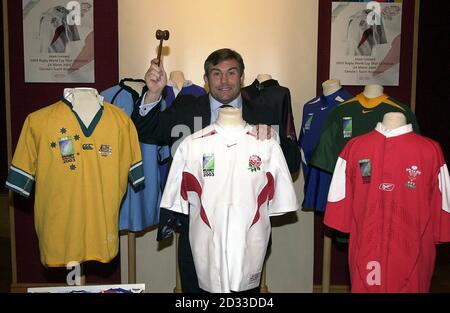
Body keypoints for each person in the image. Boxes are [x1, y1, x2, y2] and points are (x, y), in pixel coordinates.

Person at [131, 48, 301, 292]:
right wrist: (153, 93)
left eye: (231, 73)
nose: (224, 81)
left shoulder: (263, 112)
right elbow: (147, 130)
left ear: (242, 78)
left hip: (248, 234)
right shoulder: (185, 109)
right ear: (206, 79)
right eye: (216, 73)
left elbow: (292, 162)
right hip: (197, 229)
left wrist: (274, 137)